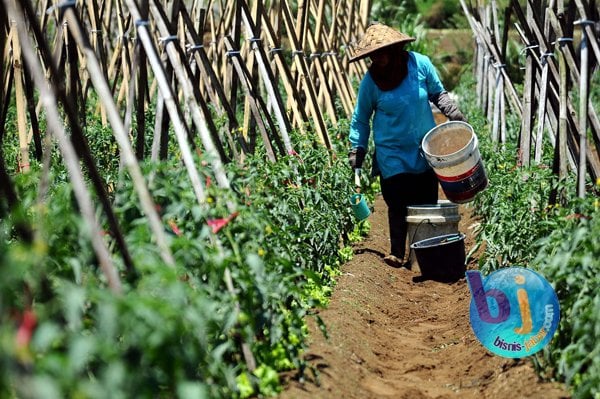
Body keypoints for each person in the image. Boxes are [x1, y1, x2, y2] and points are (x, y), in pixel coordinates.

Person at [347, 23, 467, 269]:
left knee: (425, 203)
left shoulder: (420, 65)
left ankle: (424, 255)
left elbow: (438, 93)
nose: (377, 58)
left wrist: (454, 113)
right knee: (397, 203)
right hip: (391, 153)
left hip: (424, 149)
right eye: (373, 54)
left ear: (395, 49)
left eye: (381, 52)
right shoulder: (371, 82)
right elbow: (361, 118)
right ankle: (396, 253)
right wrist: (356, 148)